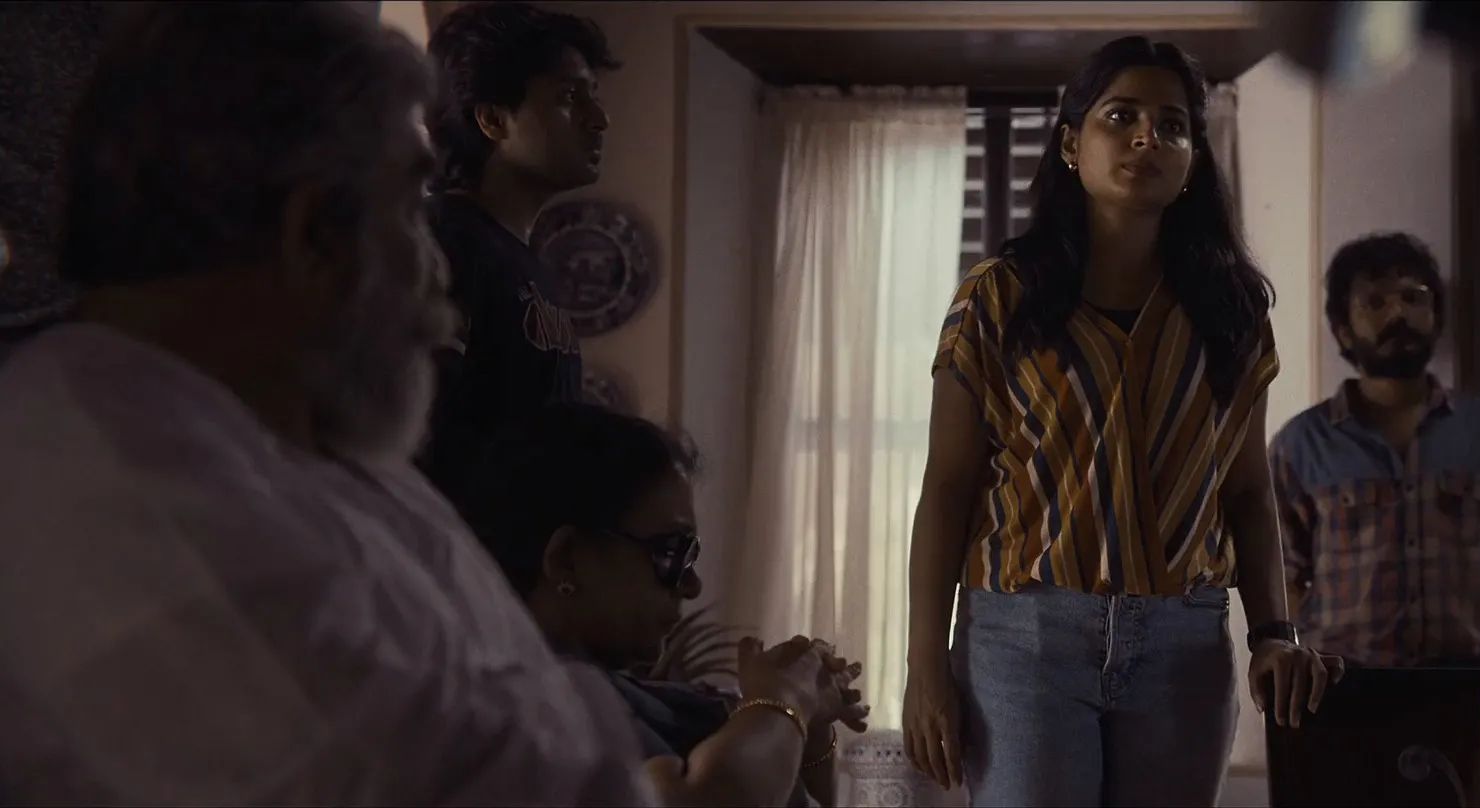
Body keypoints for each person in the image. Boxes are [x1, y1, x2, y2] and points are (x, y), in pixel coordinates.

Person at [0, 4, 828, 804]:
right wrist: (776, 710)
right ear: (313, 233)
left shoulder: (318, 448)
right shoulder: (131, 497)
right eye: (408, 209)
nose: (435, 267)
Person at [901, 35, 1342, 808]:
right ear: (1072, 144)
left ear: (1193, 160)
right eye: (1122, 116)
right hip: (1025, 638)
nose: (1148, 138)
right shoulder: (999, 297)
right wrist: (924, 668)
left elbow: (1245, 491)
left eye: (1173, 126)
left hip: (1185, 644)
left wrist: (1274, 632)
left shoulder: (1232, 310)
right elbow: (947, 487)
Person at [446, 402, 874, 807]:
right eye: (670, 552)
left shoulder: (644, 697)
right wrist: (785, 698)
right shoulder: (519, 707)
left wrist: (811, 730)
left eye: (691, 556)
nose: (692, 585)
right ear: (567, 559)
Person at [1268, 232, 1480, 669]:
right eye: (1375, 302)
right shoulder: (1301, 444)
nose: (1398, 314)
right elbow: (1283, 574)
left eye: (1413, 297)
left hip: (1462, 681)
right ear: (1343, 331)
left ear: (1436, 316)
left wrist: (1461, 623)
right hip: (1343, 684)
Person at [417, 1, 612, 487]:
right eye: (570, 96)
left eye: (592, 96)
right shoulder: (441, 240)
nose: (599, 119)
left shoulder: (523, 261)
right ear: (493, 120)